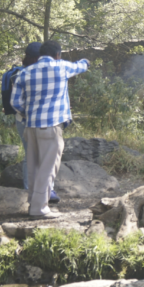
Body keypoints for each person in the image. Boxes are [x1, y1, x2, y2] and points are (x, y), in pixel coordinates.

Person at [11, 40, 89, 218]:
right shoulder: (61, 67)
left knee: (33, 166)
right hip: (51, 126)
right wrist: (86, 61)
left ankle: (33, 202)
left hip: (30, 127)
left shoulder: (24, 73)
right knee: (48, 168)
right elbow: (80, 66)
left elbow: (15, 102)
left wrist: (29, 113)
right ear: (58, 55)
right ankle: (39, 209)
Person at [1, 43, 60, 202]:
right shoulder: (29, 74)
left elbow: (15, 103)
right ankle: (40, 191)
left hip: (24, 120)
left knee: (33, 154)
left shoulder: (22, 73)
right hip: (33, 120)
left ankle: (37, 190)